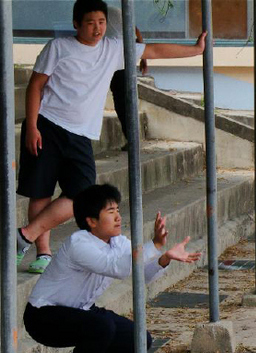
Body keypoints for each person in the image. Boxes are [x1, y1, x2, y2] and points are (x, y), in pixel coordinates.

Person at [16, 0, 207, 273]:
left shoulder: (114, 49)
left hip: (81, 133)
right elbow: (35, 86)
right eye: (90, 23)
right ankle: (42, 252)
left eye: (102, 23)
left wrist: (196, 50)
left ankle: (25, 235)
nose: (97, 29)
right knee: (41, 192)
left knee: (81, 194)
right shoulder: (58, 48)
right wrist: (32, 125)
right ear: (76, 24)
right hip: (48, 124)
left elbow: (154, 50)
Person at [23, 183, 201, 353]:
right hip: (43, 316)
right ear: (91, 221)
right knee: (101, 325)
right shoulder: (79, 243)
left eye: (117, 210)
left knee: (137, 338)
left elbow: (141, 275)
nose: (118, 217)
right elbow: (118, 268)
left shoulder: (119, 242)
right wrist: (154, 244)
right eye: (110, 212)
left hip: (81, 311)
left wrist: (164, 257)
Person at [105, 4, 148, 146]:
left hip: (116, 57)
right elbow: (136, 31)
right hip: (124, 57)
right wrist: (143, 58)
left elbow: (135, 30)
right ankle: (131, 138)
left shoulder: (105, 12)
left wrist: (143, 57)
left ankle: (131, 139)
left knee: (121, 100)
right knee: (123, 99)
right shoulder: (116, 11)